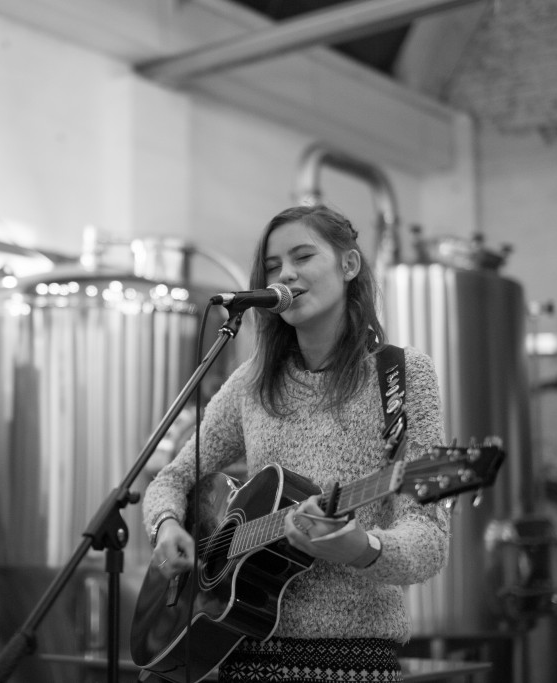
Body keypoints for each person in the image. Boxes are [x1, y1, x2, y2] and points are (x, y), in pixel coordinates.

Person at [140, 204, 450, 682]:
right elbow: (172, 478)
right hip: (242, 656)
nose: (286, 273)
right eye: (271, 266)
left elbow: (429, 538)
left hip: (355, 665)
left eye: (303, 257)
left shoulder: (401, 375)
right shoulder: (252, 383)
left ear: (349, 266)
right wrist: (165, 527)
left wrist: (361, 547)